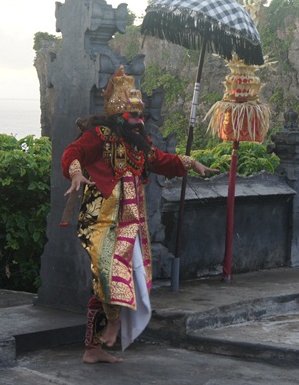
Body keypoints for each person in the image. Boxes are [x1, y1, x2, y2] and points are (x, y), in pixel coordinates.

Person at [62, 66, 216, 364]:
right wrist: (76, 173)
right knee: (108, 274)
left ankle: (92, 348)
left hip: (132, 223)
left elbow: (161, 160)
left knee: (120, 278)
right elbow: (72, 152)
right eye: (133, 116)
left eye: (139, 115)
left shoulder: (137, 143)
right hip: (102, 220)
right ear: (118, 114)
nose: (138, 120)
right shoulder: (100, 135)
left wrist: (190, 162)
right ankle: (114, 324)